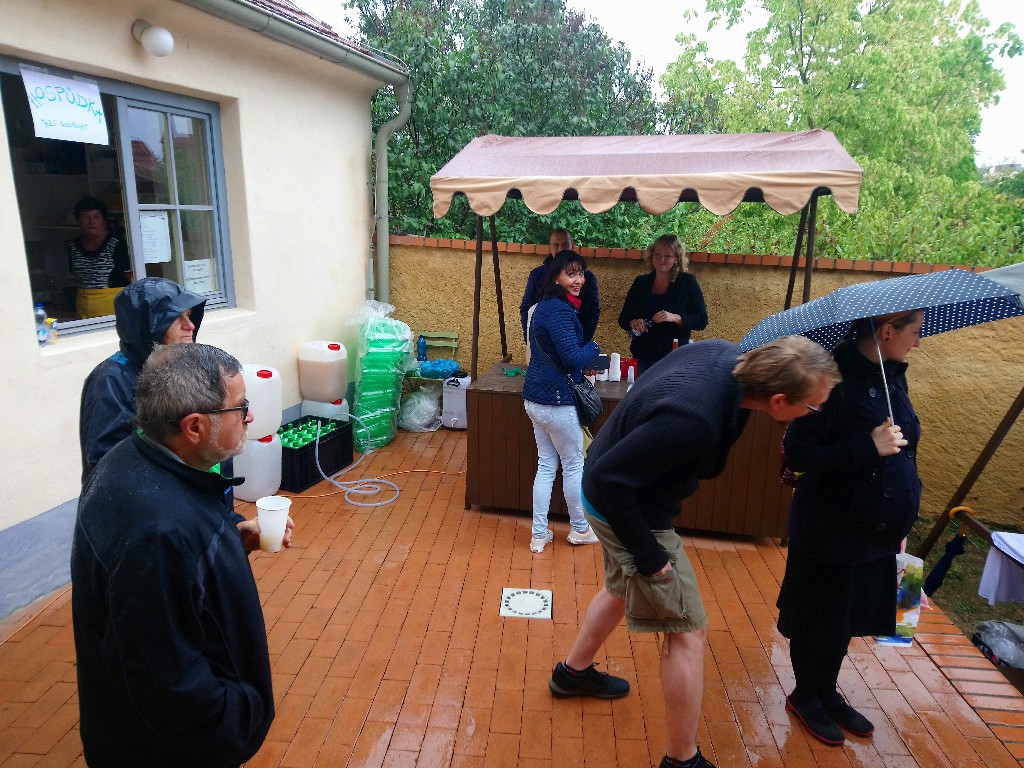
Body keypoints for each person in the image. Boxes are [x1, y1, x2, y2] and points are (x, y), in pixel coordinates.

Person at [548, 335, 841, 768]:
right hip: (625, 506)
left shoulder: (724, 355)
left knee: (621, 588)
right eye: (814, 407)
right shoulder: (695, 419)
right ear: (779, 401)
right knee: (688, 632)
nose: (817, 412)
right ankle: (682, 760)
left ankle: (571, 674)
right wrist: (650, 558)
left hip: (617, 489)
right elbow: (612, 482)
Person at [71, 342, 290, 767]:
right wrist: (239, 715)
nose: (249, 417)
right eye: (240, 407)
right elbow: (167, 684)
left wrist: (232, 537)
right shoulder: (158, 532)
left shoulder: (134, 461)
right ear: (194, 427)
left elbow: (178, 586)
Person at [776, 310, 924, 746]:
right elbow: (800, 453)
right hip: (831, 526)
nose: (919, 342)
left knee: (845, 617)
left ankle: (827, 691)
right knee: (819, 615)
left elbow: (903, 448)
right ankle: (805, 694)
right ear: (887, 331)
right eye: (915, 332)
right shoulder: (830, 378)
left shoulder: (893, 377)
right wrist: (867, 446)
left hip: (875, 529)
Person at [79, 277, 206, 484]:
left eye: (189, 316)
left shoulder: (170, 368)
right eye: (177, 318)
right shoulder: (111, 379)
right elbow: (107, 462)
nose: (190, 326)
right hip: (134, 497)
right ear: (148, 325)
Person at [523, 249, 603, 553]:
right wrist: (593, 348)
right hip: (557, 402)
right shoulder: (561, 311)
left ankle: (538, 535)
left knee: (546, 465)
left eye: (581, 273)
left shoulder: (542, 307)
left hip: (535, 400)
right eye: (571, 274)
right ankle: (580, 529)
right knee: (572, 465)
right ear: (556, 277)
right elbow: (572, 359)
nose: (578, 280)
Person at [618, 234, 708, 373]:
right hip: (643, 356)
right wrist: (633, 322)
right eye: (657, 254)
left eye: (668, 256)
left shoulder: (687, 282)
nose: (661, 259)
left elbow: (701, 320)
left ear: (676, 259)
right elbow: (623, 318)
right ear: (651, 255)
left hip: (674, 359)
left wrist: (675, 317)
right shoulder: (641, 282)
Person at [520, 229, 600, 343]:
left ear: (572, 246)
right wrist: (531, 340)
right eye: (556, 245)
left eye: (565, 244)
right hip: (543, 342)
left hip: (576, 341)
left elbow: (592, 313)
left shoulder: (588, 278)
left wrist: (583, 342)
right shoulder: (538, 275)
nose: (561, 249)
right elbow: (527, 309)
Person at [68, 196, 133, 318]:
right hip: (83, 314)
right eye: (86, 217)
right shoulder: (73, 247)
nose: (91, 222)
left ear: (104, 220)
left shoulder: (117, 244)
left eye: (96, 217)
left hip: (114, 314)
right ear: (78, 221)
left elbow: (131, 279)